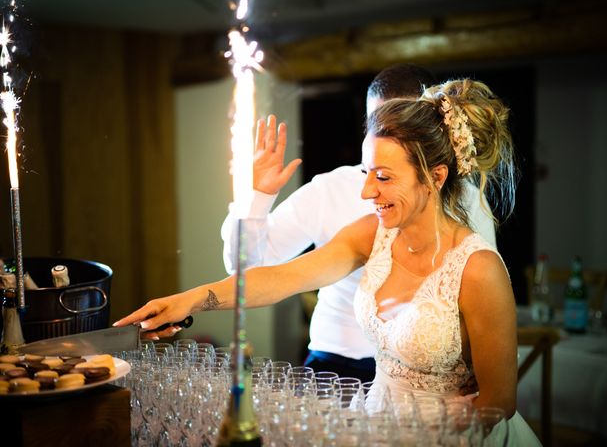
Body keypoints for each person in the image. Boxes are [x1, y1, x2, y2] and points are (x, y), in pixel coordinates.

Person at [115, 78, 540, 445]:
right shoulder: (371, 235)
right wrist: (190, 300)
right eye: (367, 172)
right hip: (375, 421)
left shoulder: (478, 267)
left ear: (437, 176)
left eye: (384, 177)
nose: (366, 192)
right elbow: (280, 278)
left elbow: (498, 401)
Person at [219, 64, 496, 382]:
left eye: (397, 127)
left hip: (428, 375)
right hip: (335, 363)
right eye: (375, 124)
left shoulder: (471, 202)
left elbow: (480, 307)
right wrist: (255, 197)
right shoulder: (329, 189)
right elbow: (246, 269)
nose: (382, 135)